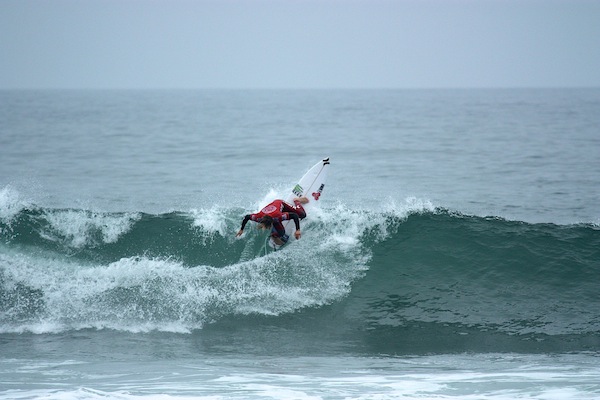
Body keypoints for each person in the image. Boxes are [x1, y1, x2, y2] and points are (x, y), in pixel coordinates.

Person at [236, 197, 309, 246]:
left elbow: (294, 215)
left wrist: (297, 230)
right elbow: (247, 217)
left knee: (302, 214)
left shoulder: (278, 216)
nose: (264, 228)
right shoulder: (258, 217)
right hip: (272, 214)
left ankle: (297, 201)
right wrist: (241, 229)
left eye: (266, 227)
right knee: (282, 233)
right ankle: (274, 236)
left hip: (280, 204)